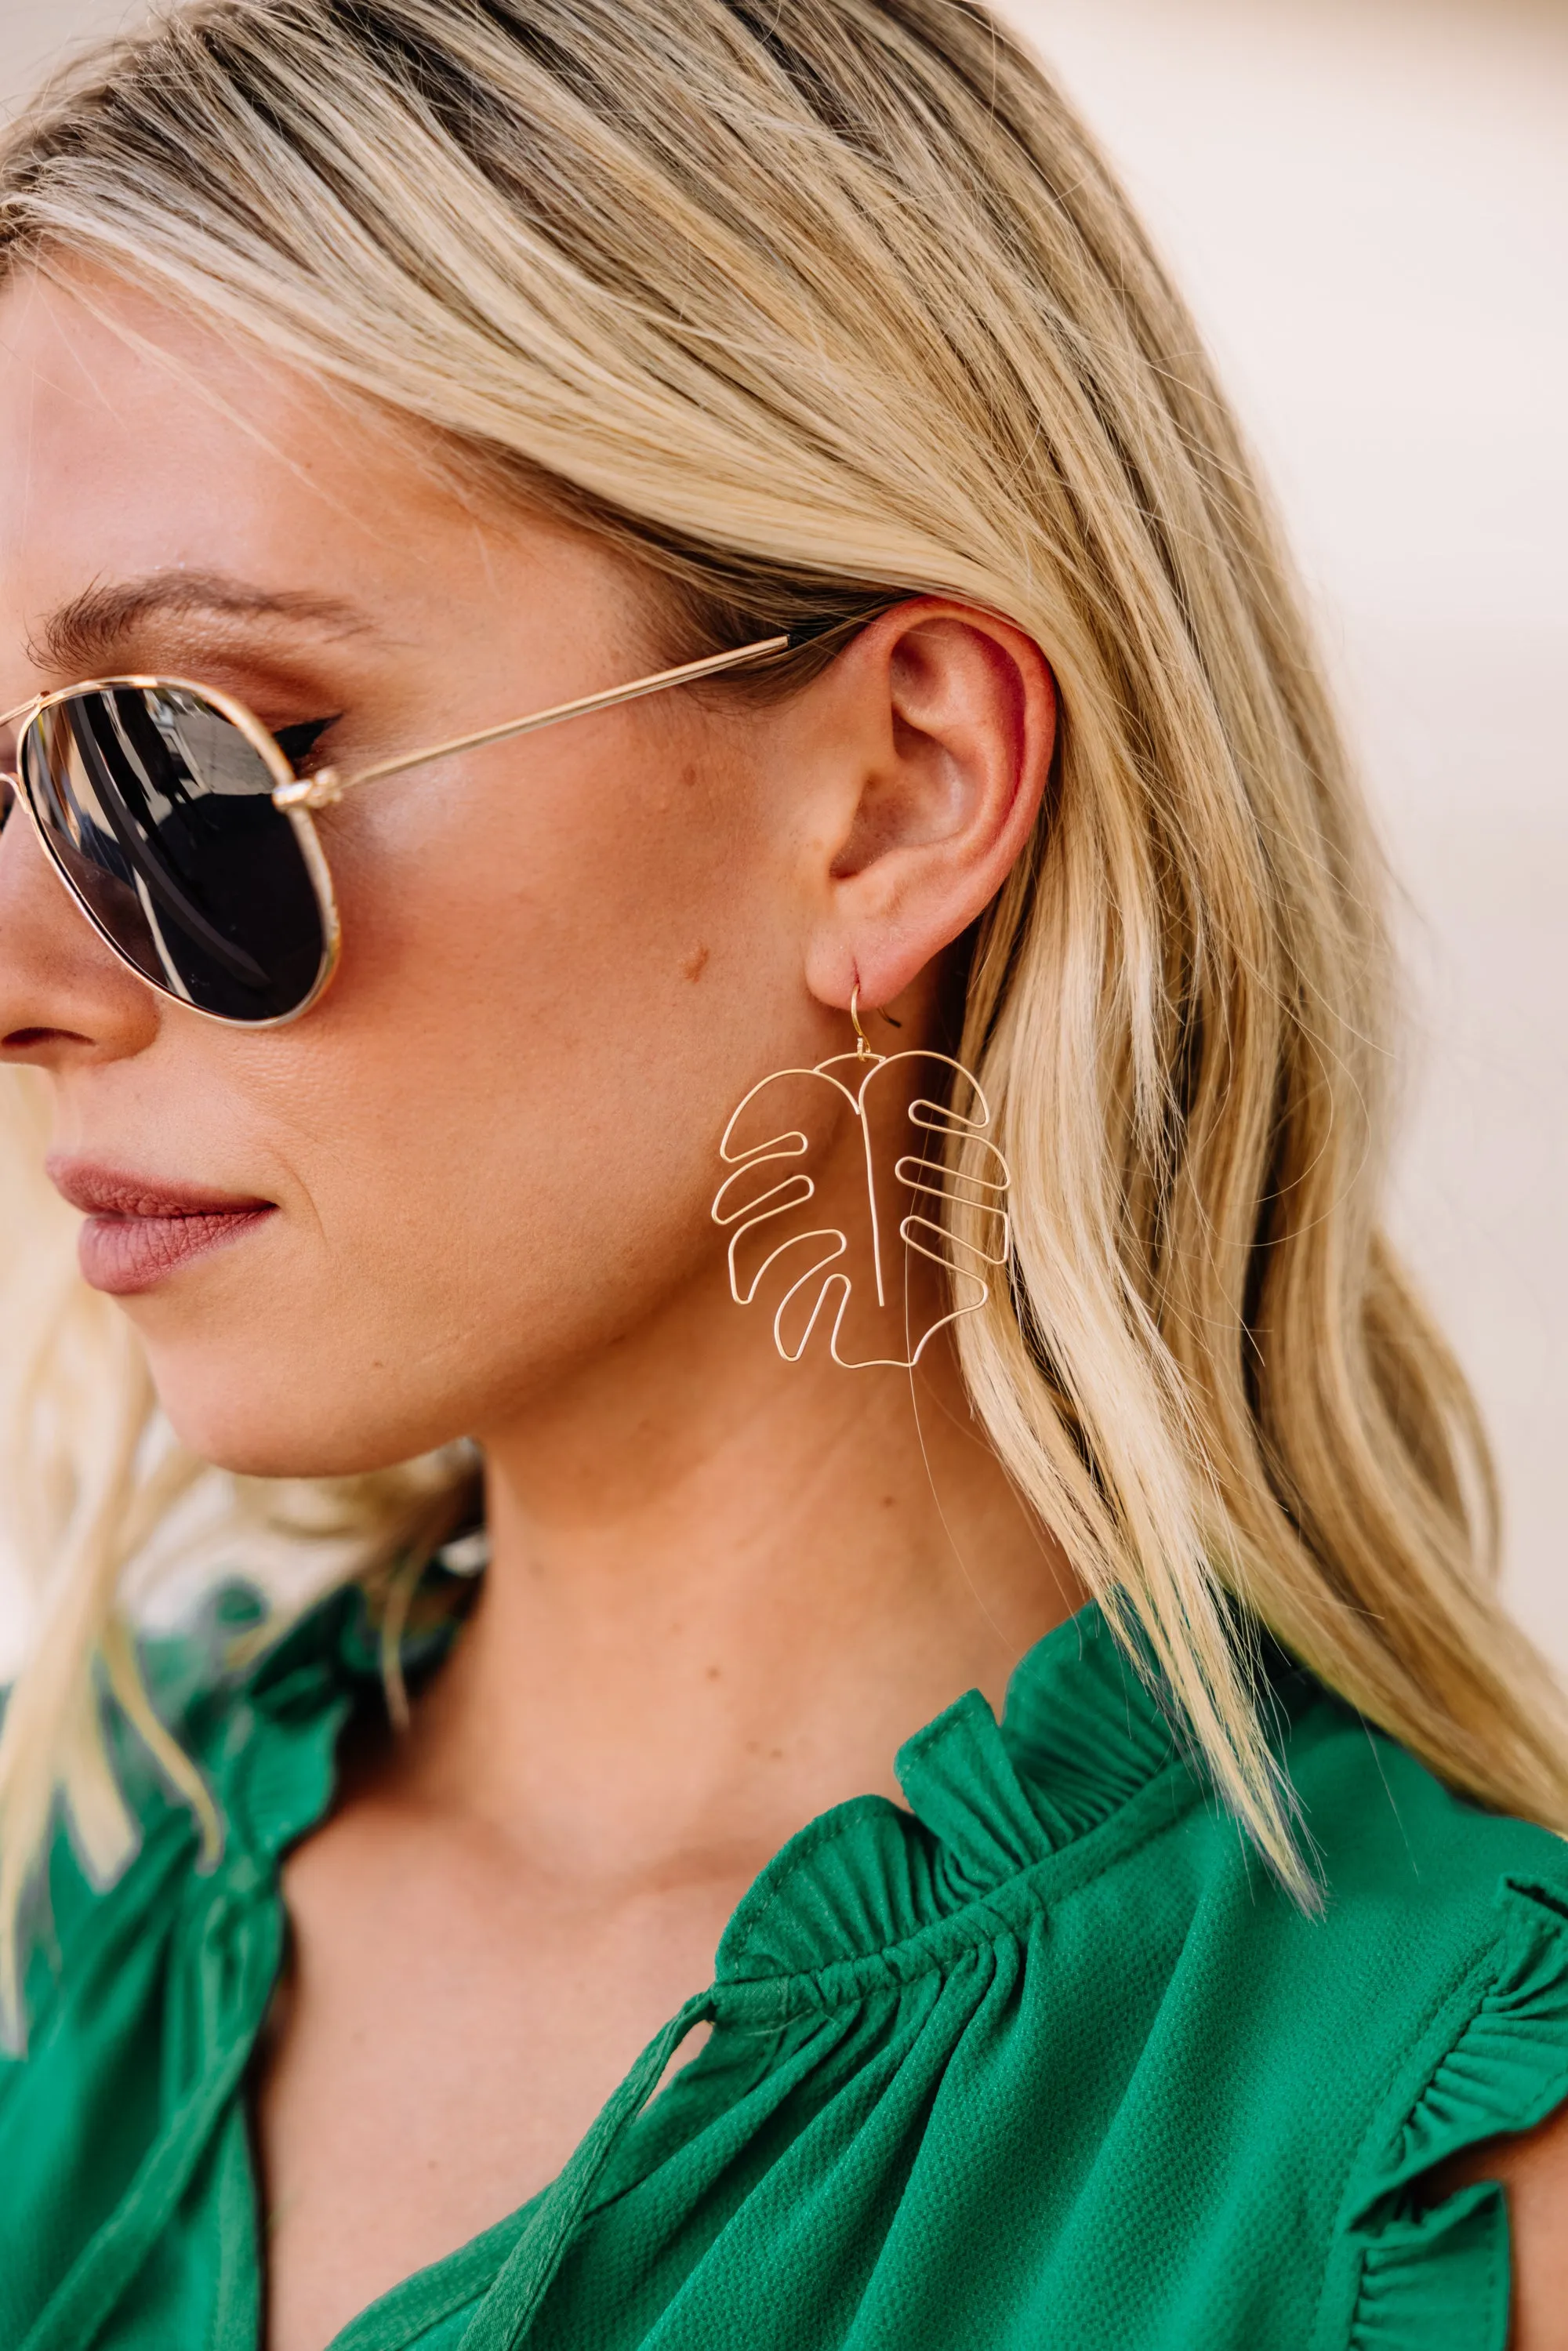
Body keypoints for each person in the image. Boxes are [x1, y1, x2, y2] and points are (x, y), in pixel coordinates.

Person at [0, 2, 1564, 2344]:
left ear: (901, 791)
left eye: (184, 768)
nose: (31, 970)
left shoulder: (1445, 2187)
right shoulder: (69, 1914)